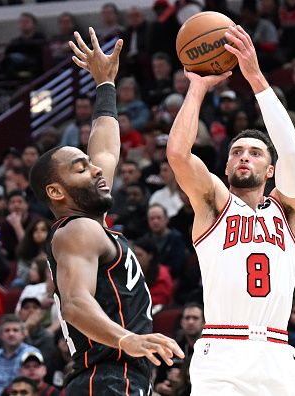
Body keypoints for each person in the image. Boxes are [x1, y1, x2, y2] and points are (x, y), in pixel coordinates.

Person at [29, 28, 183, 394]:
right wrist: (126, 339)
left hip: (114, 378)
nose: (96, 169)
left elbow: (105, 150)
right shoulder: (76, 231)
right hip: (107, 377)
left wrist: (105, 86)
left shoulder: (89, 224)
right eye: (80, 169)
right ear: (56, 191)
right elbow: (75, 304)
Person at [167, 24, 295, 395]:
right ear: (225, 168)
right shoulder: (214, 203)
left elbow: (290, 150)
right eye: (237, 152)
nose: (245, 157)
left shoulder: (288, 211)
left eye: (256, 153)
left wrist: (255, 77)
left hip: (277, 353)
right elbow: (178, 155)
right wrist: (196, 90)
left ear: (270, 170)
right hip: (223, 348)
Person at [0, 315, 40, 396]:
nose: (11, 334)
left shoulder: (31, 353)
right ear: (1, 336)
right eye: (7, 330)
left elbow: (34, 385)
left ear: (23, 335)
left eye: (15, 330)